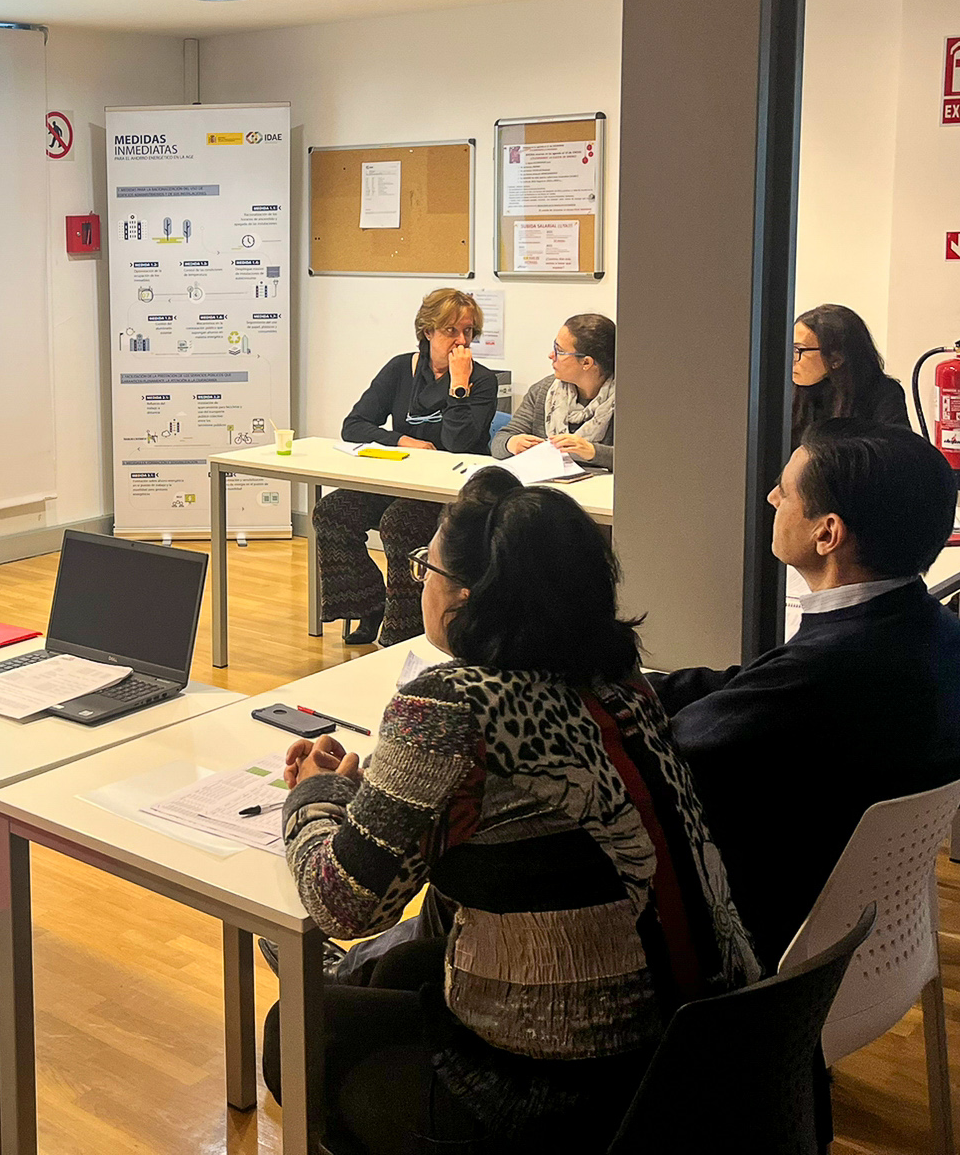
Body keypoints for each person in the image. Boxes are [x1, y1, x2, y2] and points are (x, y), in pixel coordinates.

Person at [264, 467, 757, 1155]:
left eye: (426, 566)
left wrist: (315, 795)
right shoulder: (624, 684)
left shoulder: (448, 704)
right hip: (701, 1048)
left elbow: (343, 904)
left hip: (562, 1095)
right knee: (403, 969)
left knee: (291, 1032)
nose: (420, 579)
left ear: (465, 599)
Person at [651, 420, 960, 965]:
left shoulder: (826, 672)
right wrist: (639, 684)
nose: (771, 498)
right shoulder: (934, 631)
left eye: (785, 491)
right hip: (877, 941)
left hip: (762, 950)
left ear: (827, 534)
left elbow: (665, 754)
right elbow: (749, 687)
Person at [313, 288, 501, 646]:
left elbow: (458, 443)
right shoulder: (401, 369)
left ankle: (404, 630)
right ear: (428, 331)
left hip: (451, 492)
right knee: (332, 511)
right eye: (451, 331)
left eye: (468, 332)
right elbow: (354, 425)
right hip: (401, 480)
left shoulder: (481, 380)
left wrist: (458, 385)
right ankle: (369, 604)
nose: (461, 341)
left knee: (399, 523)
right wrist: (401, 440)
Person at [495, 312, 616, 469]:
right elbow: (500, 441)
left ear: (586, 363)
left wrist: (592, 452)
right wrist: (512, 443)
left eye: (559, 351)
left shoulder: (627, 400)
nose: (551, 355)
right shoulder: (543, 391)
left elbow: (638, 459)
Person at [790, 303, 910, 447]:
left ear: (837, 358)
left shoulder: (882, 393)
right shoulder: (787, 390)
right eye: (789, 348)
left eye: (798, 350)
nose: (790, 359)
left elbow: (898, 451)